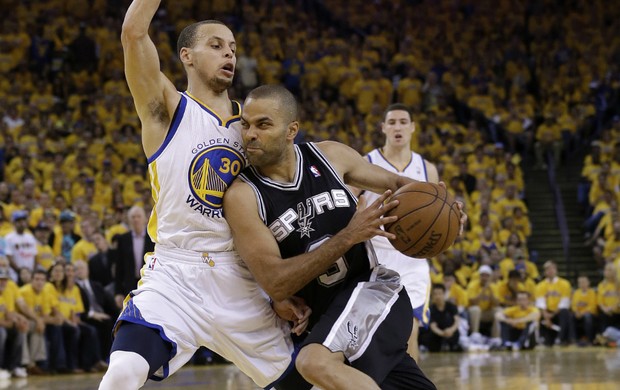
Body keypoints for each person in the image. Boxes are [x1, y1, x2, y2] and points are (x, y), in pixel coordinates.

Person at [99, 3, 306, 389]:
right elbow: (133, 33)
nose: (229, 53)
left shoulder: (255, 126)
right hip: (175, 274)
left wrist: (278, 287)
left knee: (305, 381)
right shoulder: (166, 108)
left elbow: (285, 202)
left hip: (242, 278)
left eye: (232, 46)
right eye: (216, 45)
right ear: (187, 56)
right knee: (123, 372)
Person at [224, 85, 440, 389]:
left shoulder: (329, 155)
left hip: (373, 294)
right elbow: (274, 281)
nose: (250, 134)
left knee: (314, 362)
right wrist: (348, 236)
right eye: (245, 124)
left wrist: (439, 201)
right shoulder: (243, 195)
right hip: (326, 324)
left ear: (291, 130)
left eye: (263, 124)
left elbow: (396, 182)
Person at [354, 103, 439, 361]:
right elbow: (349, 207)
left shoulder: (428, 169)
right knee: (375, 335)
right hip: (375, 258)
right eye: (392, 122)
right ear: (383, 128)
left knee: (409, 330)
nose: (397, 127)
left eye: (403, 121)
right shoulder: (366, 163)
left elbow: (438, 216)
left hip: (413, 259)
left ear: (413, 127)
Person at [111, 206, 154, 309]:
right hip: (129, 284)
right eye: (133, 217)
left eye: (138, 216)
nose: (136, 219)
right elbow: (119, 268)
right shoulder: (123, 239)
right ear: (129, 220)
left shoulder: (153, 239)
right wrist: (118, 292)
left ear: (145, 219)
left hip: (149, 283)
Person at [535, 260, 574, 346]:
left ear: (556, 270)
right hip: (546, 312)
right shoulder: (540, 286)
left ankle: (560, 338)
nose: (550, 271)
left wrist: (552, 315)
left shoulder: (564, 283)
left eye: (552, 268)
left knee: (565, 312)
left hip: (558, 312)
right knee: (537, 313)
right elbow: (540, 303)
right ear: (545, 272)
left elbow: (565, 302)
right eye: (548, 269)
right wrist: (547, 317)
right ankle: (541, 338)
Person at [419, 284, 461, 352]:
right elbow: (433, 326)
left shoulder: (452, 306)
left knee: (456, 335)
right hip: (437, 333)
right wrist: (443, 334)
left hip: (451, 331)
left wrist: (451, 330)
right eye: (435, 294)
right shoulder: (431, 309)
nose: (437, 296)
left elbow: (456, 321)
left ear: (444, 294)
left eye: (440, 293)